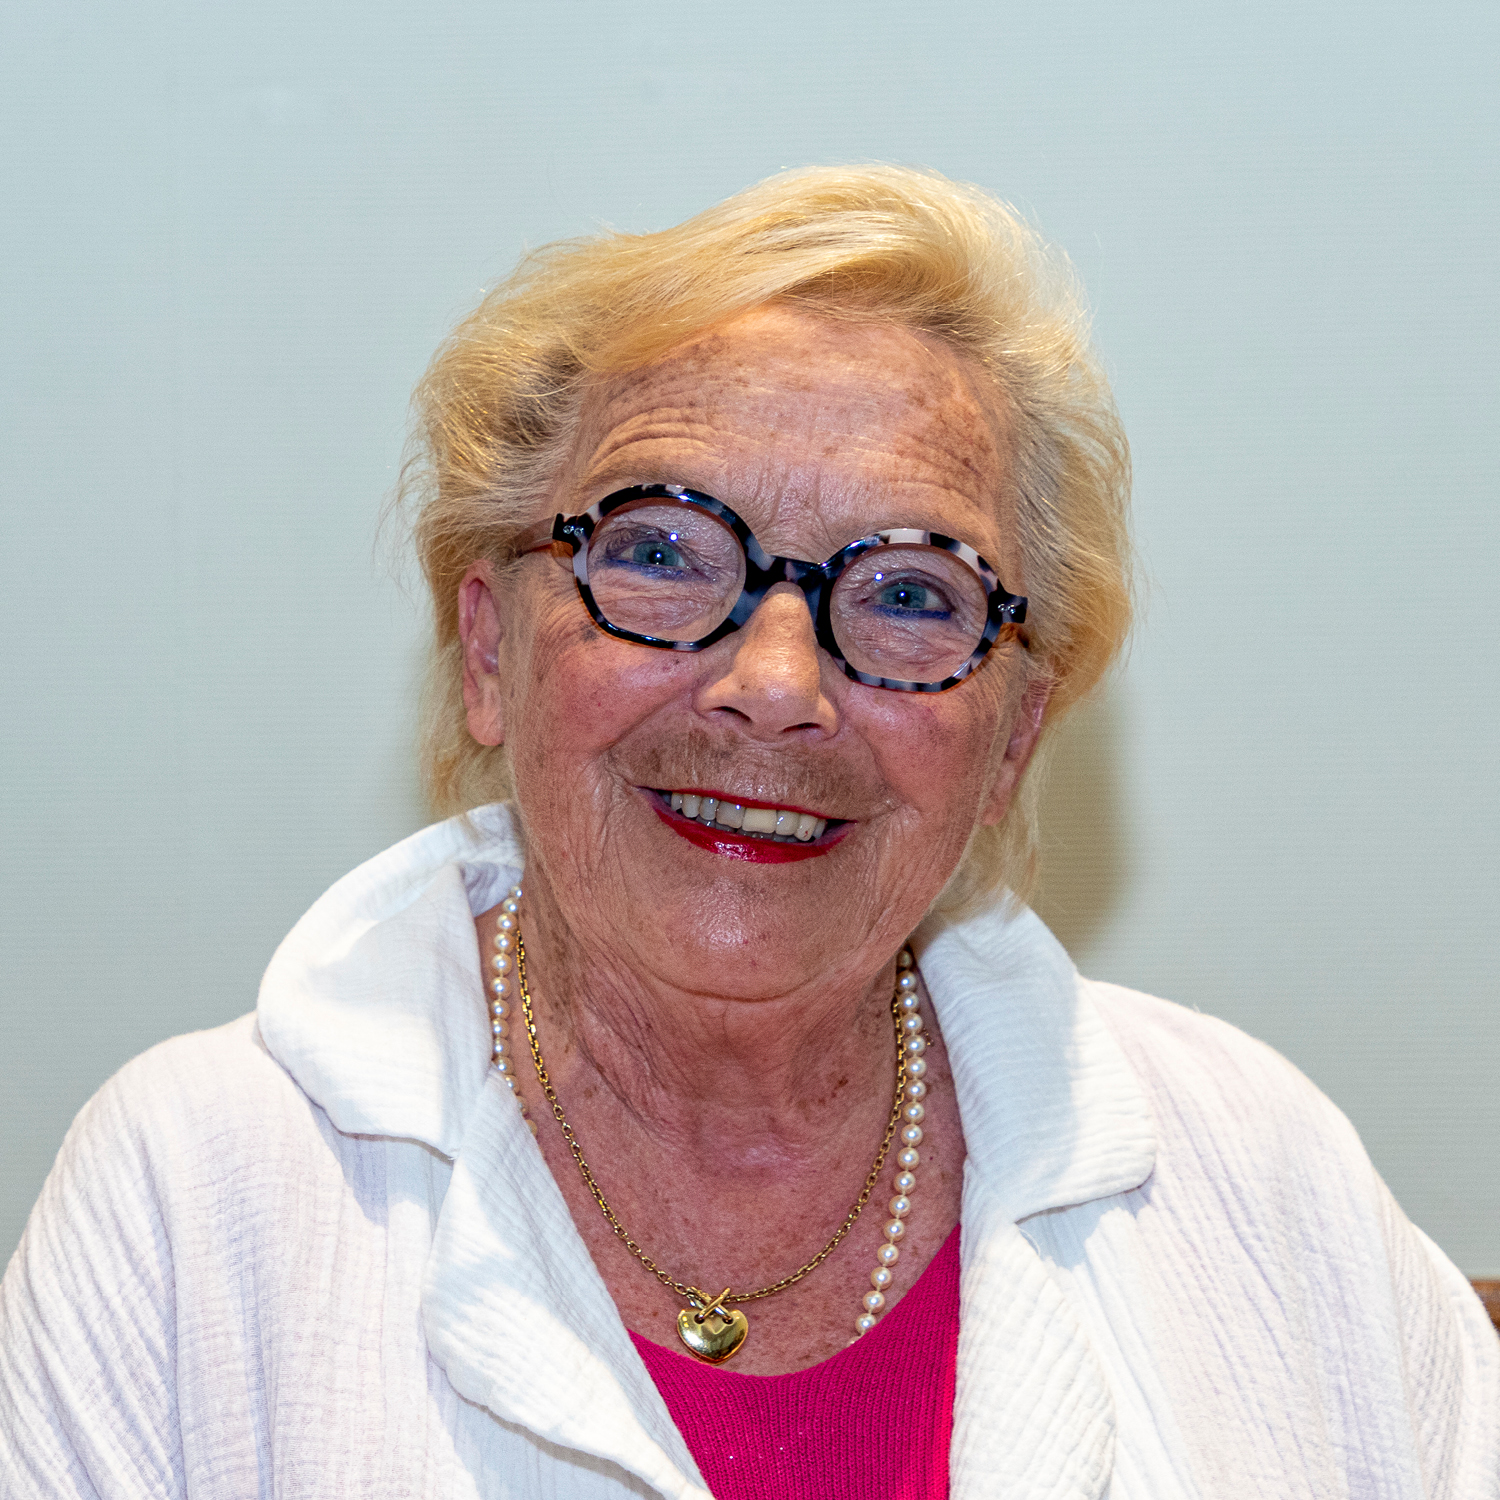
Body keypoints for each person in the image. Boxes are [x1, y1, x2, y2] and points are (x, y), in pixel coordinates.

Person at [1, 165, 1495, 1500]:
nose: (777, 687)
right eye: (658, 552)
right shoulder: (194, 1192)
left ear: (1012, 737)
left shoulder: (1258, 1171)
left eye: (912, 593)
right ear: (486, 653)